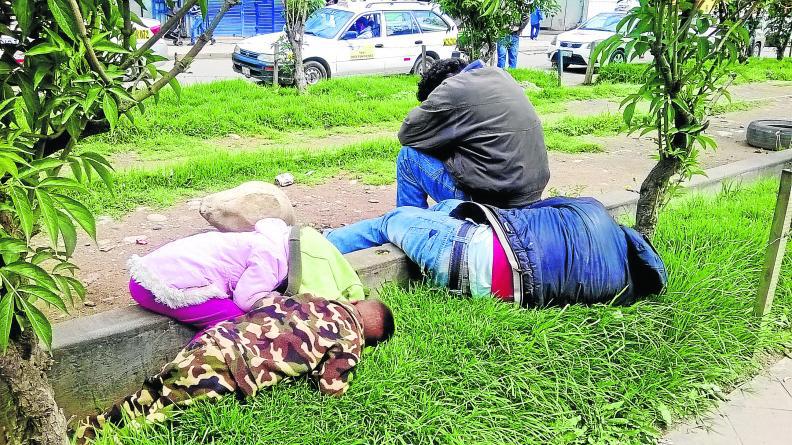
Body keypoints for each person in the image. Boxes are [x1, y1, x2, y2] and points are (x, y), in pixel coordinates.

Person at [72, 293, 395, 441]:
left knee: (155, 391)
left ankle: (87, 427)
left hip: (212, 340)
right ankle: (98, 440)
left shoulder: (311, 299)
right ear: (370, 338)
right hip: (227, 371)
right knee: (164, 414)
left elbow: (267, 304)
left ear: (354, 303)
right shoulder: (351, 340)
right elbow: (331, 387)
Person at [326, 197, 667, 308]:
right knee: (447, 206)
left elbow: (531, 212)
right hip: (493, 289)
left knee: (391, 220)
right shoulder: (620, 292)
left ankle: (316, 245)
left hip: (466, 252)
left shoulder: (592, 211)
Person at [127, 218, 366, 328]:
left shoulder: (271, 239)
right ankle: (202, 360)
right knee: (235, 322)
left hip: (153, 269)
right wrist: (276, 300)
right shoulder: (272, 258)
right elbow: (245, 297)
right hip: (161, 286)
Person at [397, 58, 550, 210]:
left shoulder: (452, 88)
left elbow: (407, 134)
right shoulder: (501, 75)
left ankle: (408, 225)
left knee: (408, 156)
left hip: (493, 203)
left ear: (440, 88)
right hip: (531, 195)